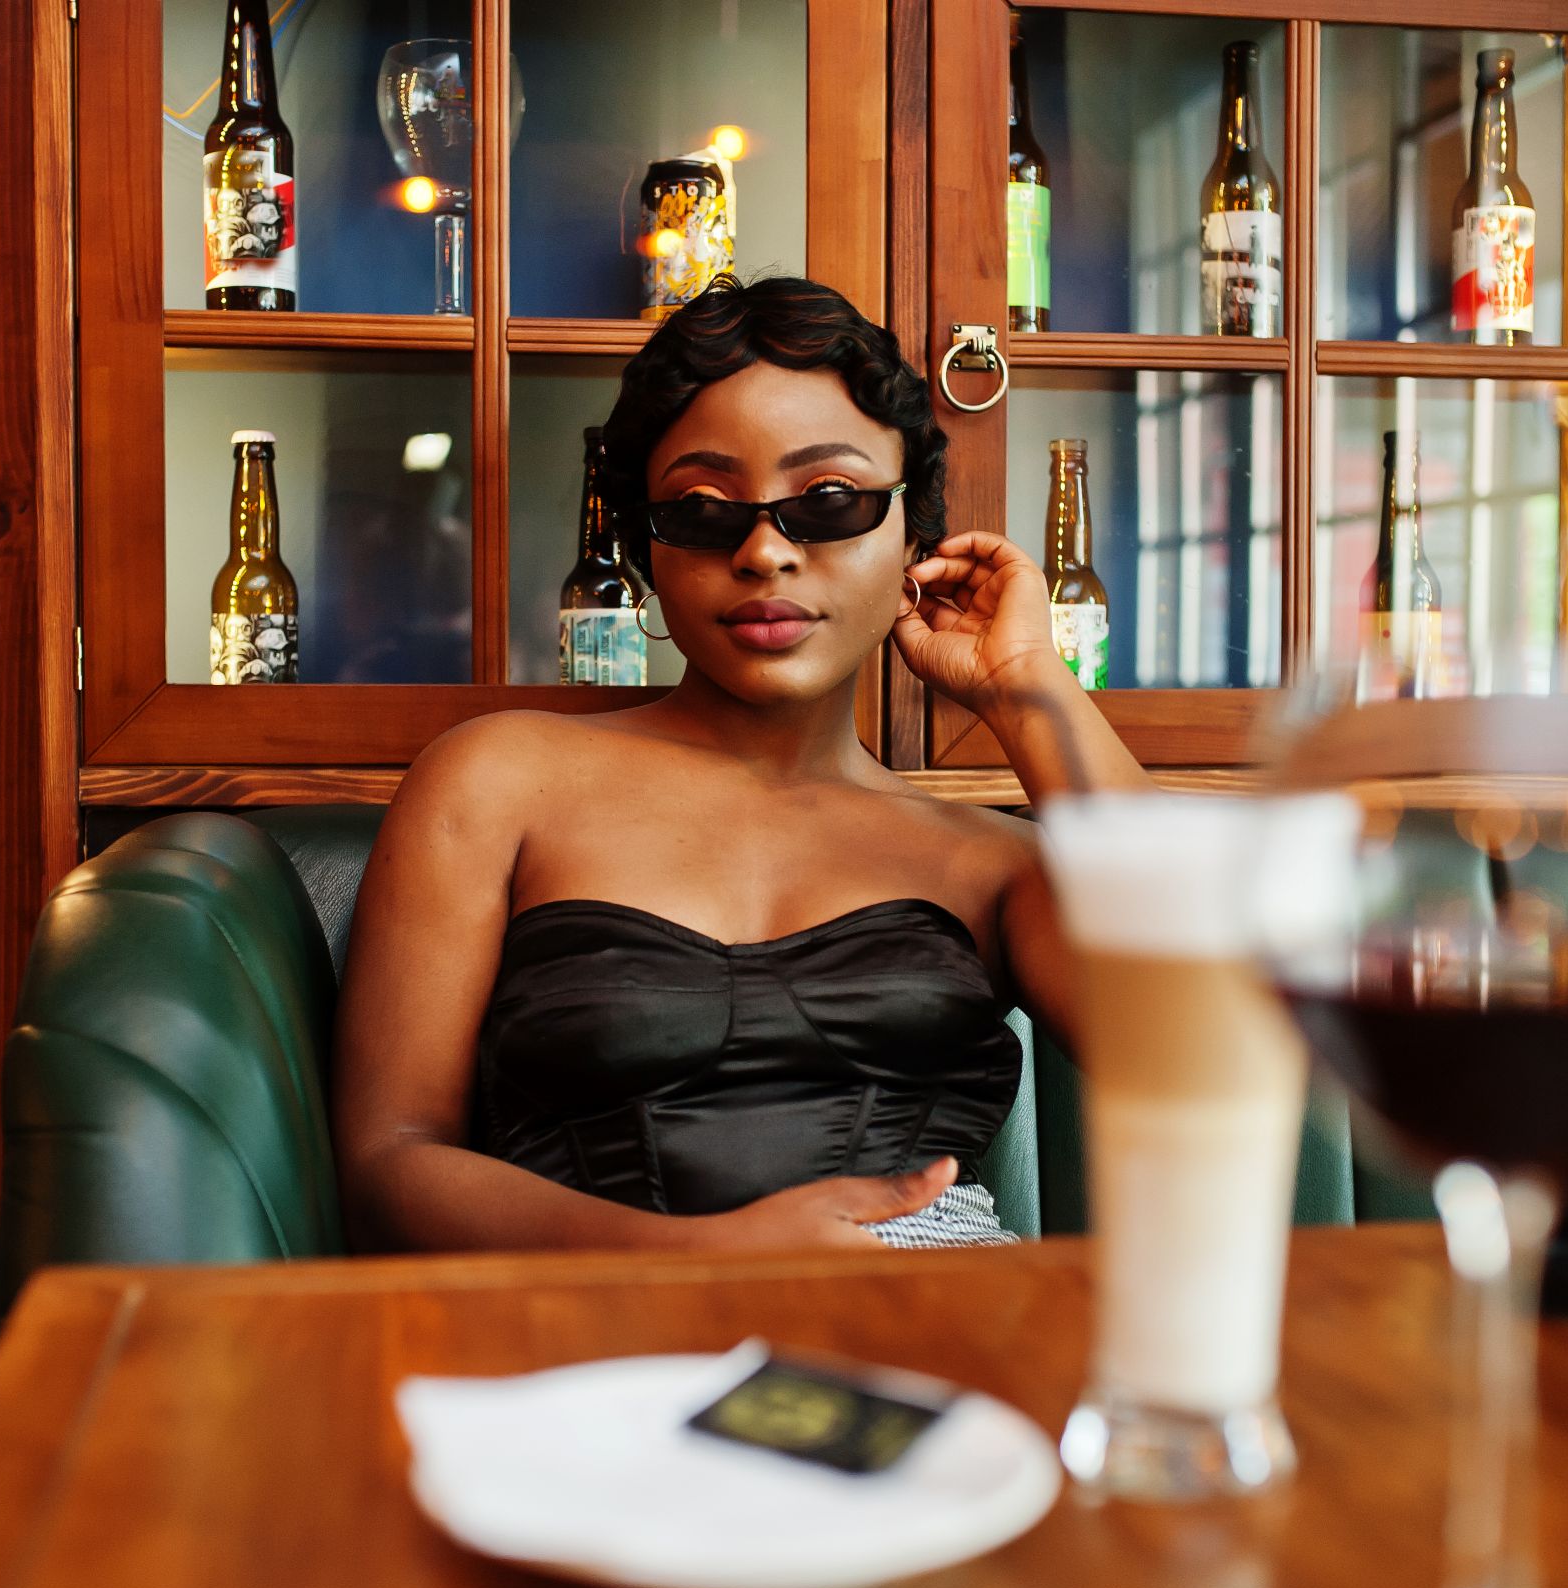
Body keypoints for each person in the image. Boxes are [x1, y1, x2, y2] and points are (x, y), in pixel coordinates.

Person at [334, 275, 1147, 1251]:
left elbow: (1206, 1054)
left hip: (948, 1317)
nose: (765, 550)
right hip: (598, 1341)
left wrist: (1028, 686)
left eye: (830, 499)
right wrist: (700, 1259)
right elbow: (389, 1160)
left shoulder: (993, 861)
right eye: (704, 508)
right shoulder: (500, 780)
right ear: (647, 548)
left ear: (911, 538)